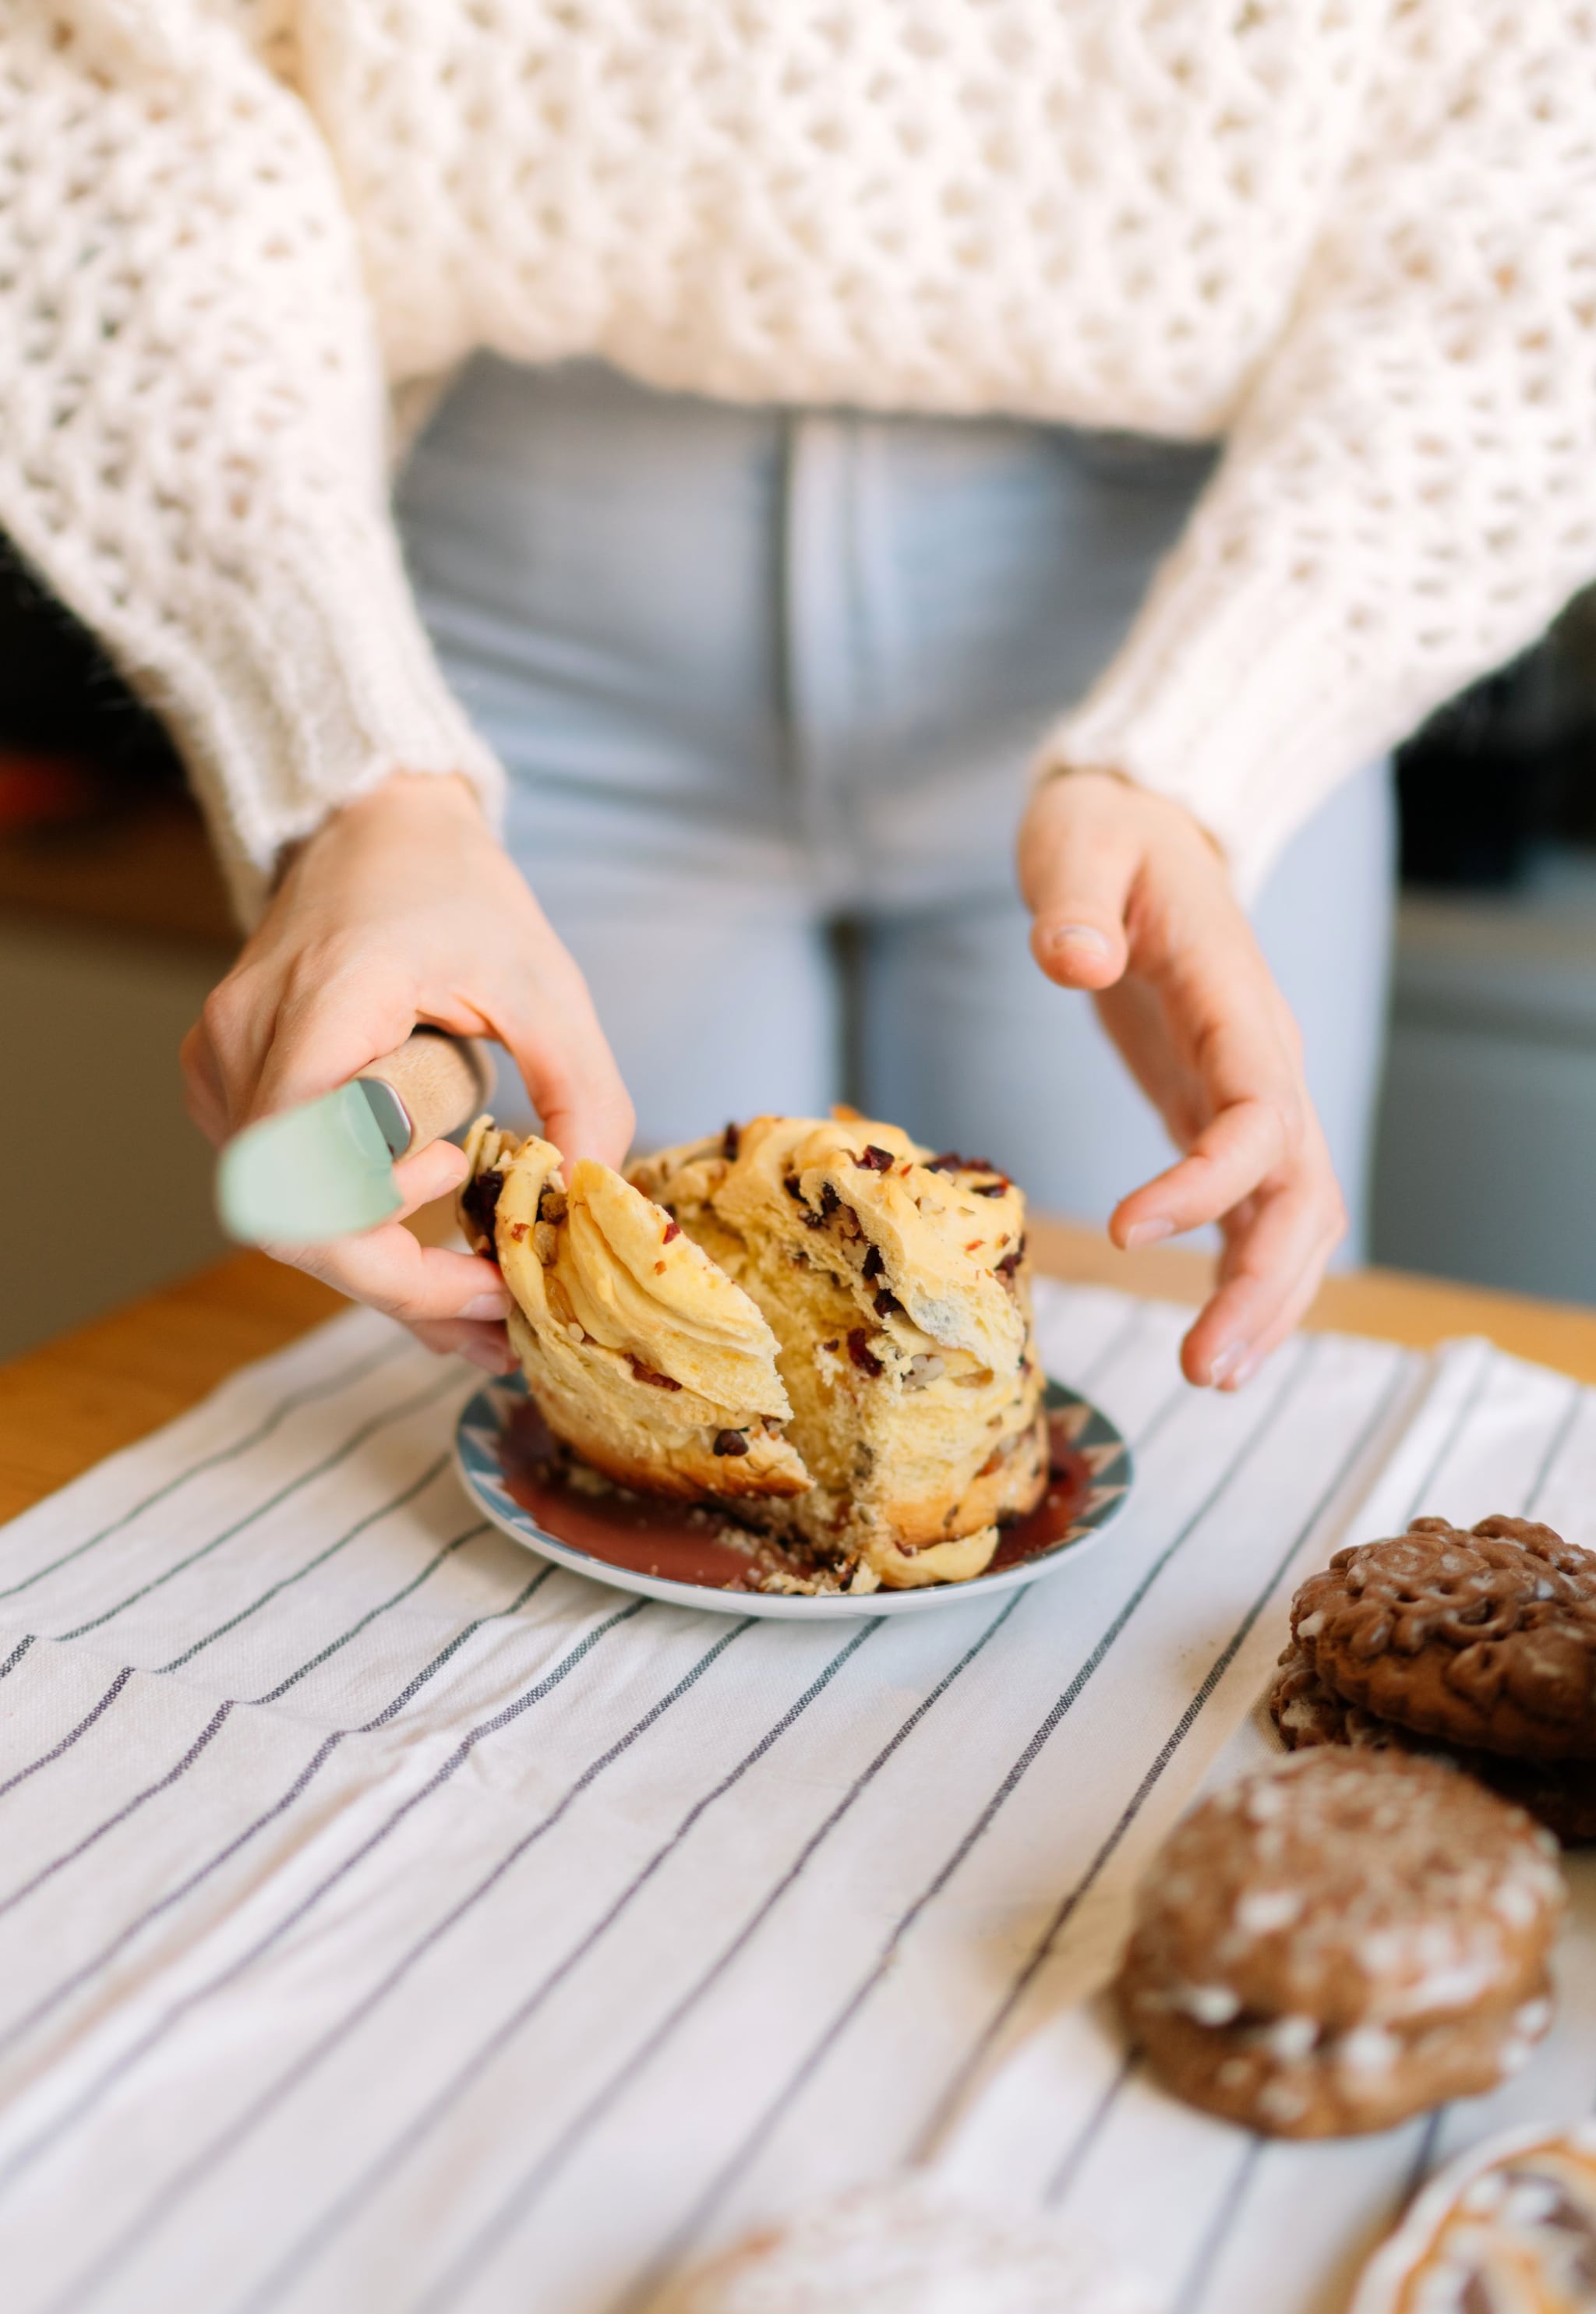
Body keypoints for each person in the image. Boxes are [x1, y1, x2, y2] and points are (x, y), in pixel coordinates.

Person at [3, 2, 1593, 1392]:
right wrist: (350, 759)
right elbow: (105, 74)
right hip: (486, 627)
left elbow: (1543, 155)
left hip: (1181, 626)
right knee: (559, 1420)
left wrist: (1213, 745)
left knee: (1171, 1428)